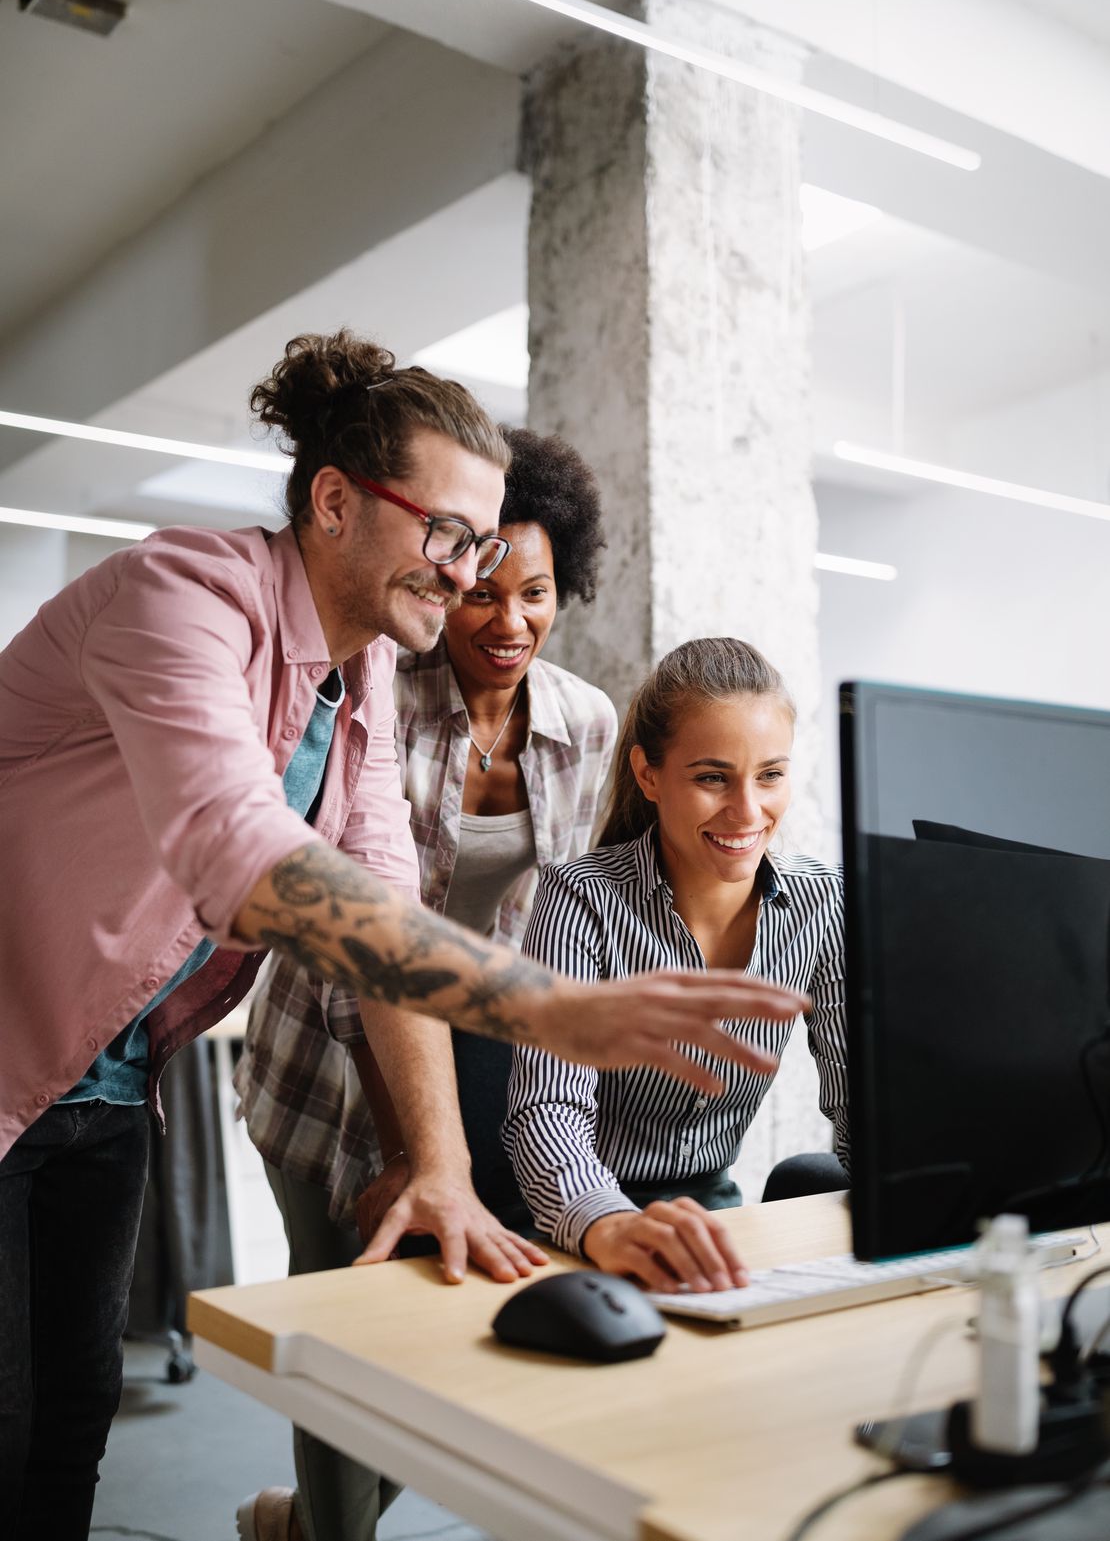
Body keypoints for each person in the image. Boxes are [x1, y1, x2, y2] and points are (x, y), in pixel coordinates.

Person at [0, 331, 803, 1541]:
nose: (469, 571)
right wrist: (542, 1004)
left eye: (485, 544)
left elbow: (382, 902)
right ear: (333, 503)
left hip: (107, 1073)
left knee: (73, 1410)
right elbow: (241, 853)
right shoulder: (179, 598)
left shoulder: (356, 675)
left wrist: (439, 1162)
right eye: (449, 535)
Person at [235, 428, 618, 1541]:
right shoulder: (375, 696)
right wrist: (407, 1145)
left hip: (476, 1068)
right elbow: (356, 940)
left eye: (538, 595)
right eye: (483, 594)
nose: (509, 624)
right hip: (326, 1054)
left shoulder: (584, 722)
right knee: (345, 1331)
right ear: (445, 579)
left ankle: (303, 1527)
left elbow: (549, 923)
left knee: (463, 1329)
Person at [503, 636, 849, 1293]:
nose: (749, 811)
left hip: (712, 1220)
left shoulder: (822, 901)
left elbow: (867, 1100)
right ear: (649, 774)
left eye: (770, 774)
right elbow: (547, 1110)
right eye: (713, 777)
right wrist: (609, 1225)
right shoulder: (580, 897)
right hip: (577, 1228)